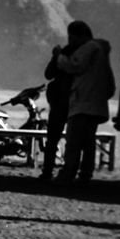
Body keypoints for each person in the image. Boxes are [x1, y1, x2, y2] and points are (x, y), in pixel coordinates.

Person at [53, 20, 114, 185]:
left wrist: (59, 56)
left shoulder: (89, 48)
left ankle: (68, 173)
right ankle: (86, 174)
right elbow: (110, 86)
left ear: (80, 35)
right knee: (88, 142)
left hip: (82, 102)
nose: (71, 42)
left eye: (72, 38)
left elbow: (75, 65)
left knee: (73, 141)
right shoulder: (101, 51)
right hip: (95, 104)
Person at [38, 37, 78, 181]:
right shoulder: (81, 55)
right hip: (71, 103)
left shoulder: (67, 55)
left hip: (61, 103)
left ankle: (49, 171)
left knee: (53, 139)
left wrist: (56, 57)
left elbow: (49, 74)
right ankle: (67, 171)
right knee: (71, 140)